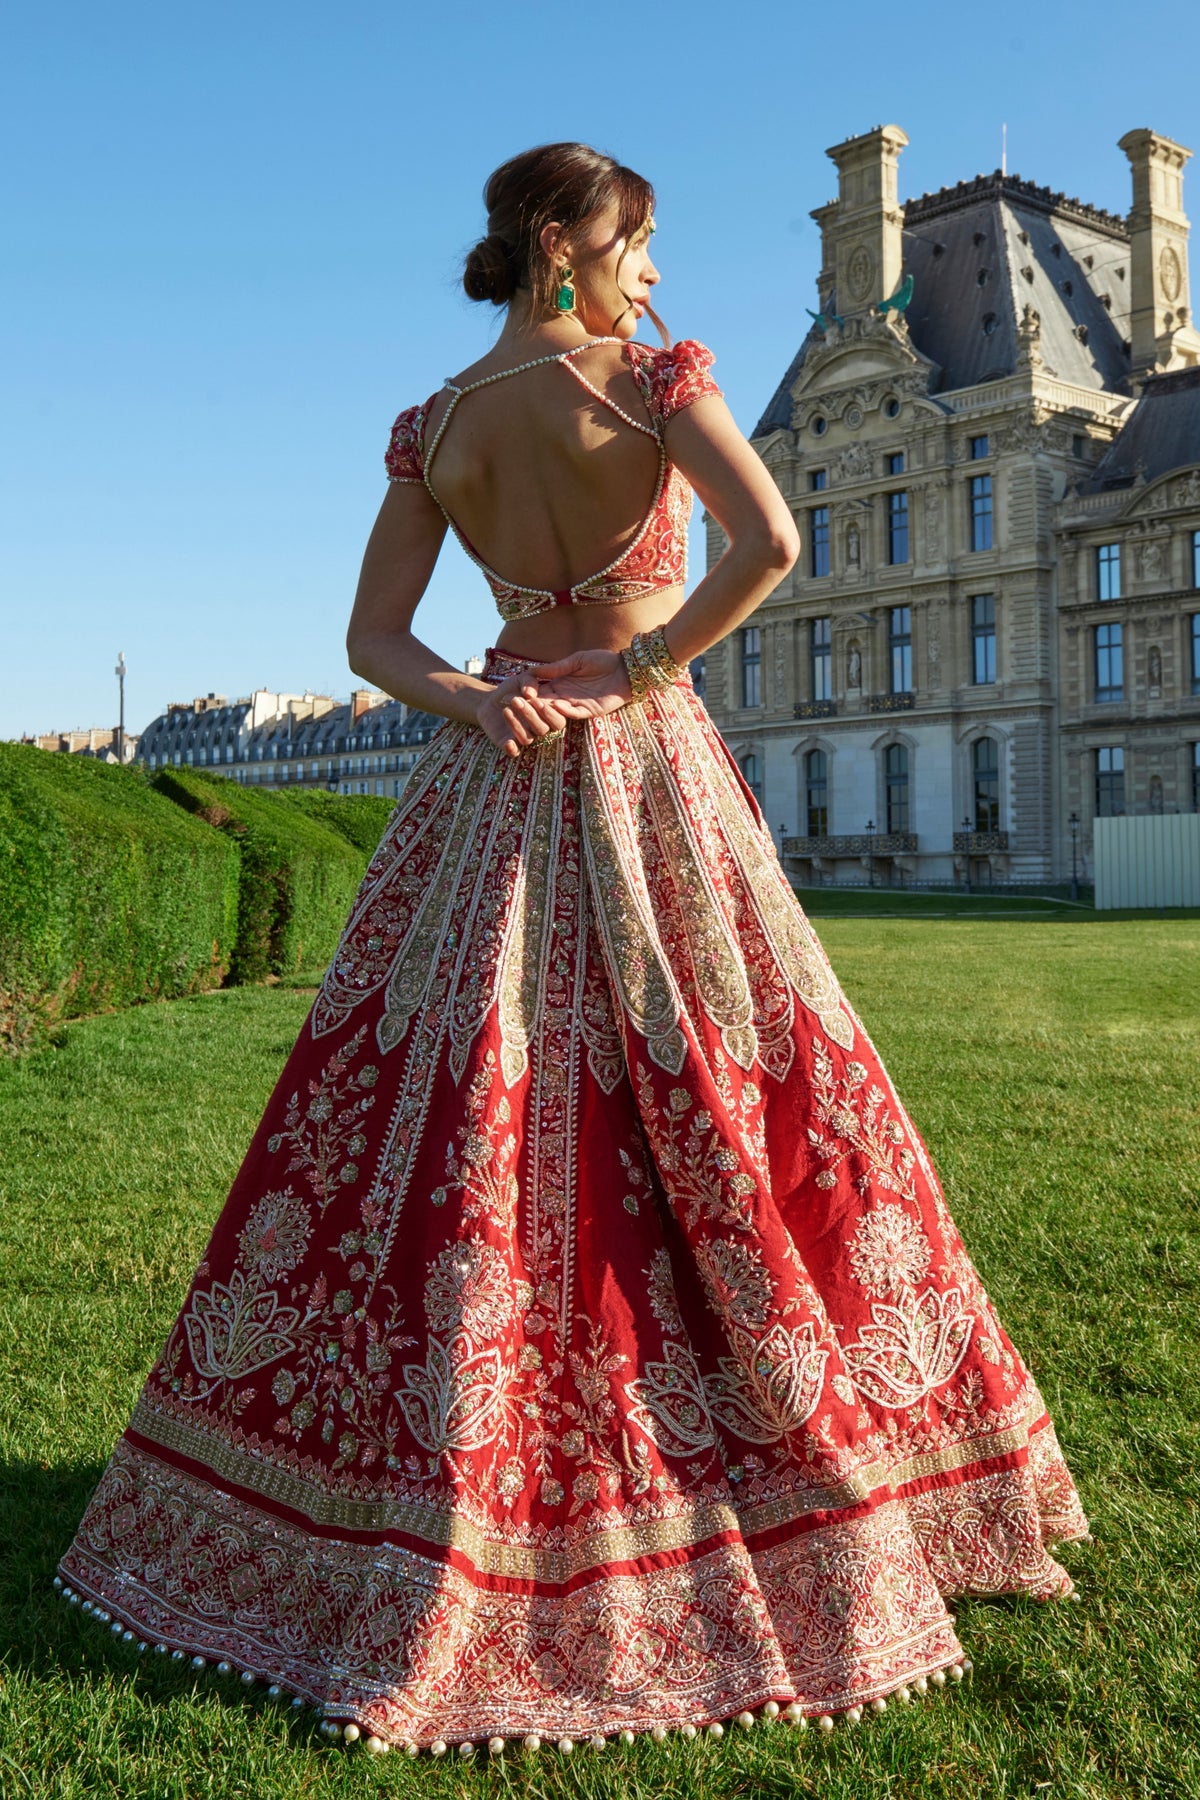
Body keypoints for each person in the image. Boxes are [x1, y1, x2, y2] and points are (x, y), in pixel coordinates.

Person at [56, 141, 1087, 1758]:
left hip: (491, 772)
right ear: (564, 243)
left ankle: (384, 1475)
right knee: (735, 1079)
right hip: (639, 758)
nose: (656, 273)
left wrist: (475, 698)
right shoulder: (652, 380)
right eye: (641, 242)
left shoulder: (438, 425)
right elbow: (770, 548)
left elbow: (370, 641)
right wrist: (651, 668)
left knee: (451, 1095)